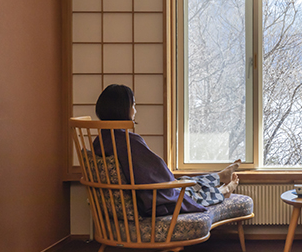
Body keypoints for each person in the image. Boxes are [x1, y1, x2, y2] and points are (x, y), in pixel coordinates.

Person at [93, 84, 240, 218]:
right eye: (134, 105)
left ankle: (220, 176)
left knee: (186, 182)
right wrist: (170, 181)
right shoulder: (127, 141)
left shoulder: (100, 141)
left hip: (141, 196)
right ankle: (223, 191)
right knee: (188, 191)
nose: (135, 110)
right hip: (150, 203)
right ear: (123, 109)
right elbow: (157, 170)